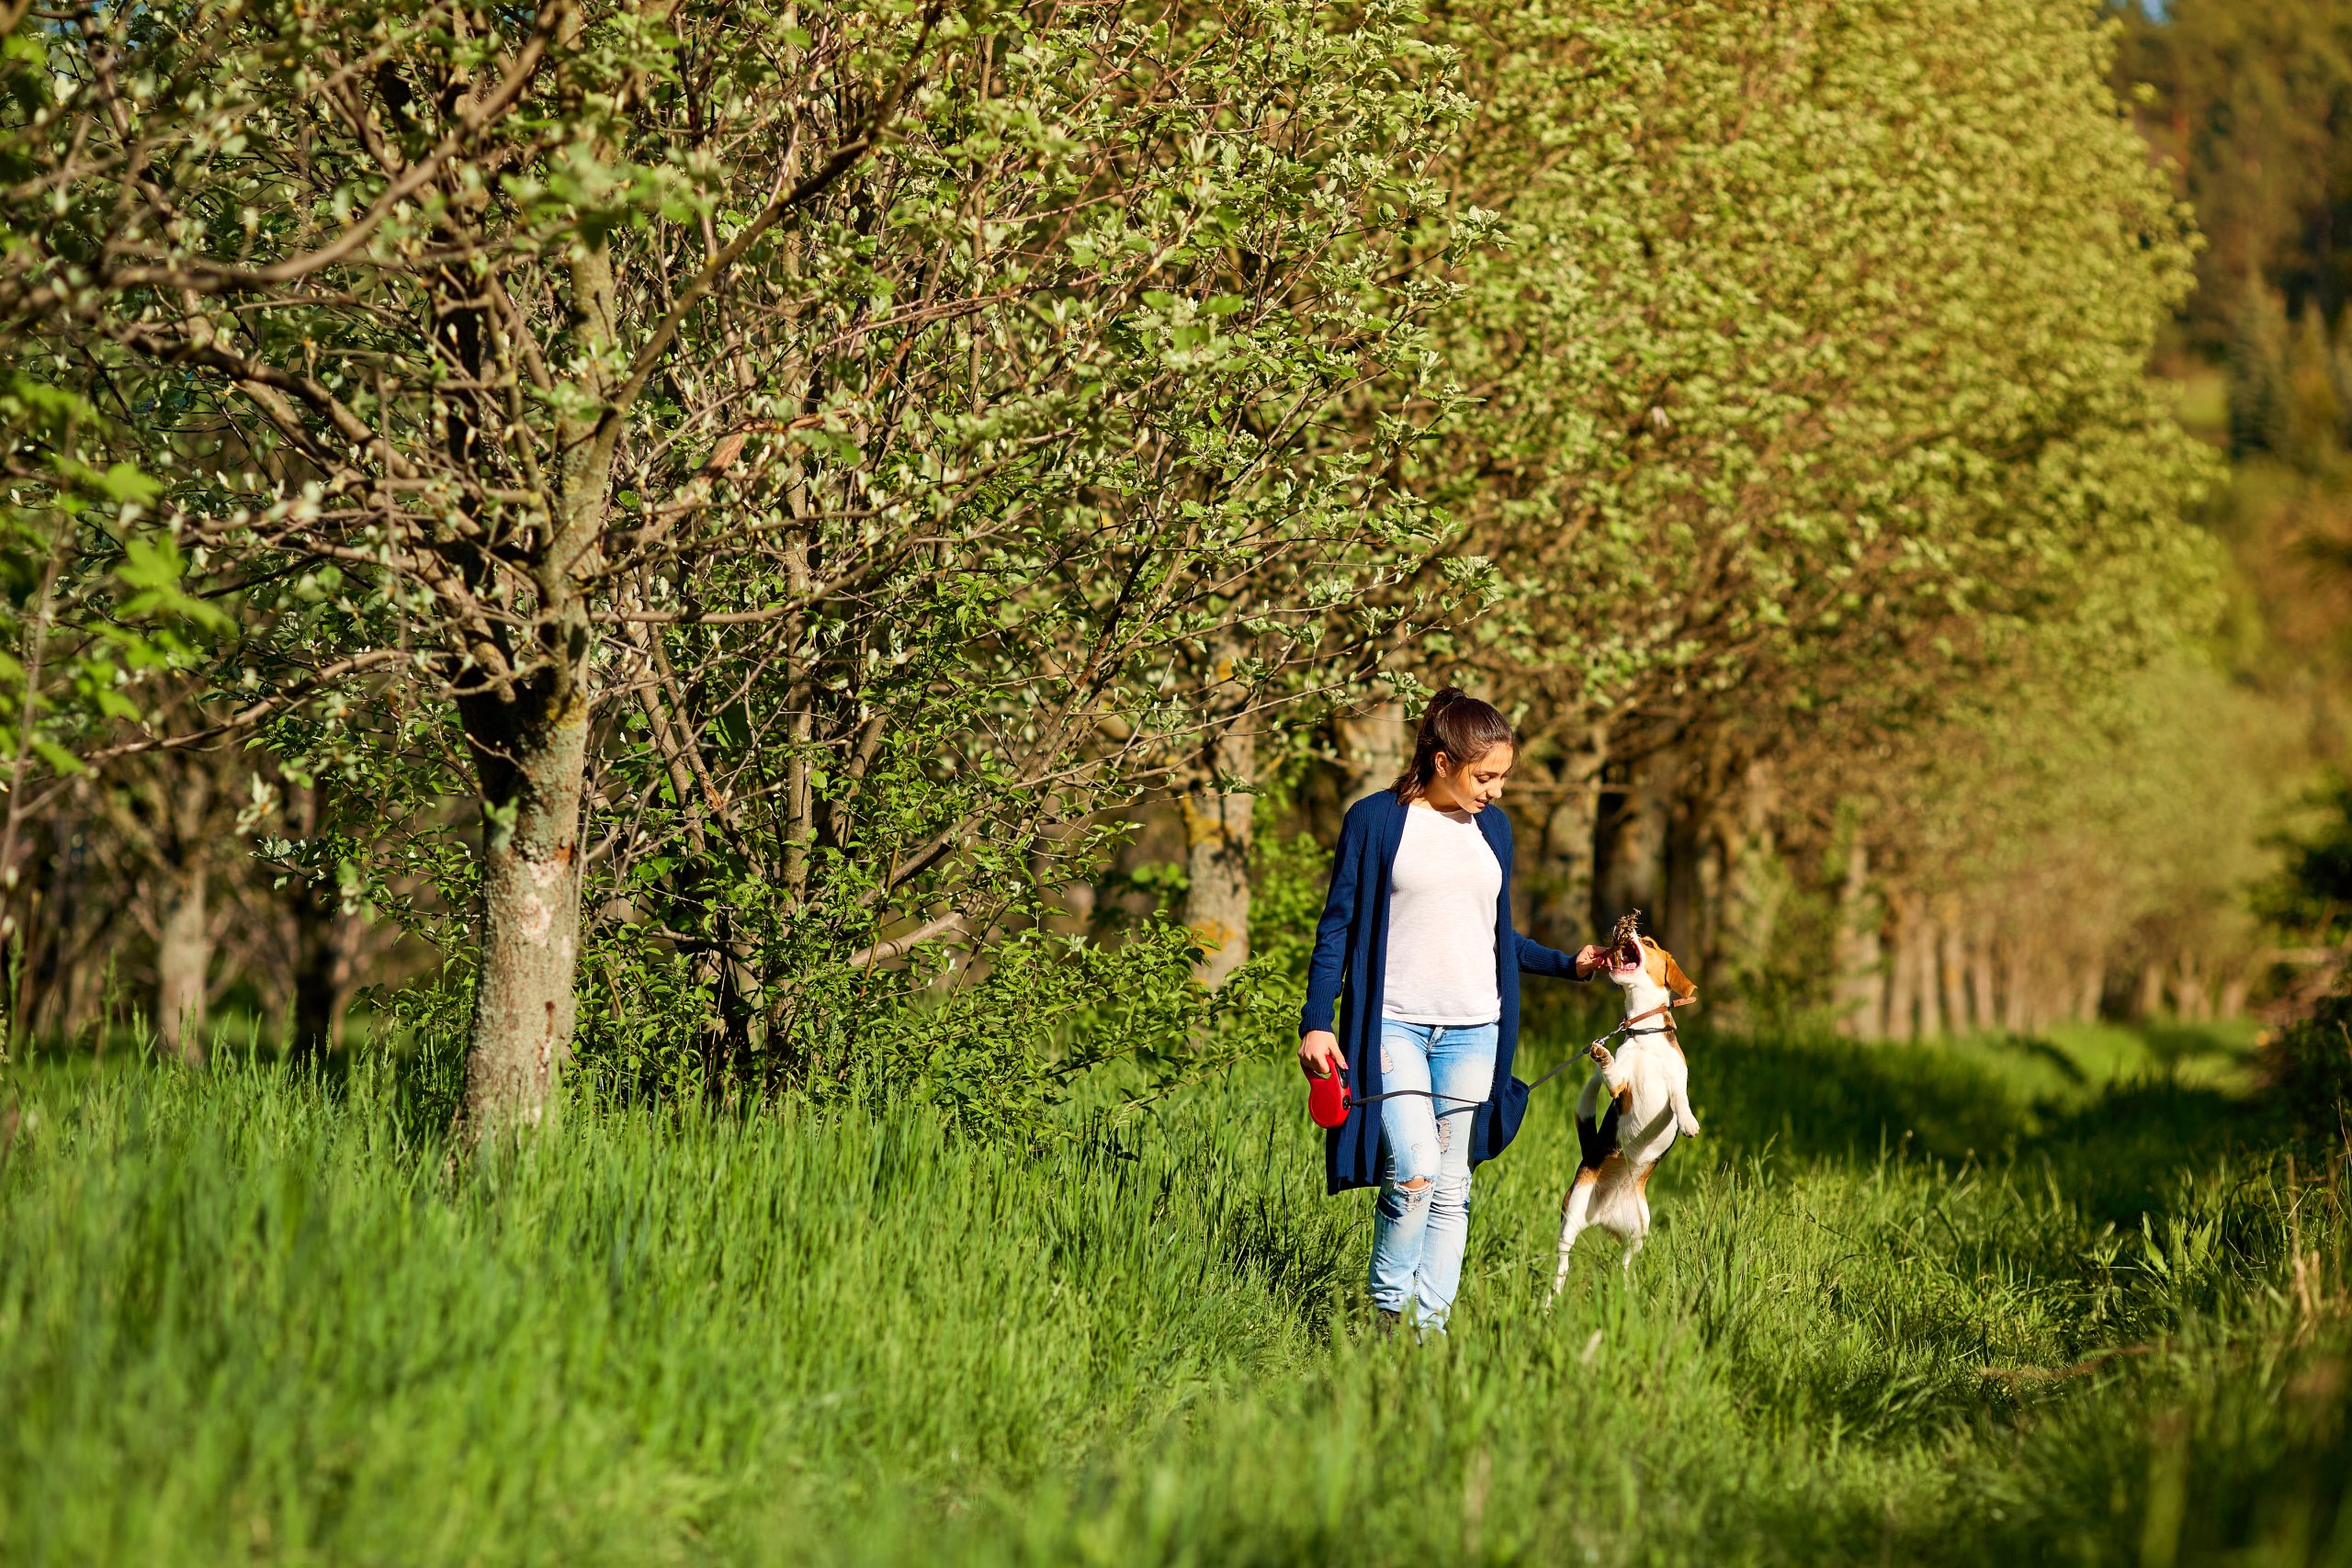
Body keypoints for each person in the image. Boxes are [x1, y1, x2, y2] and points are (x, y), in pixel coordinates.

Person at [1298, 689, 1604, 1337]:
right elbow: (1337, 929)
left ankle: (1427, 1332)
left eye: (1502, 776)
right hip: (1394, 1026)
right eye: (1484, 775)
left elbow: (1494, 935)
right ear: (1442, 761)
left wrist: (1568, 964)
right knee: (1413, 1169)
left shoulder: (1492, 829)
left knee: (1452, 1185)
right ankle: (1386, 1313)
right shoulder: (1376, 822)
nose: (1495, 790)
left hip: (1475, 1030)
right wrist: (1317, 1020)